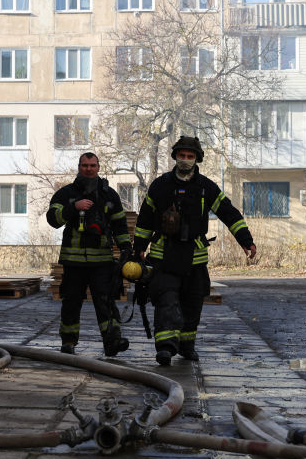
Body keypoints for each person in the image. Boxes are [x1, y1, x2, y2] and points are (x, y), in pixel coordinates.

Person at [132, 136, 257, 366]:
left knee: (193, 303)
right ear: (175, 157)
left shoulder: (205, 187)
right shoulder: (160, 186)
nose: (185, 160)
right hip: (164, 257)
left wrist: (246, 240)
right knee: (166, 300)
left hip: (194, 259)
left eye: (190, 157)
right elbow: (145, 220)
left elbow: (228, 213)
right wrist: (138, 248)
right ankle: (166, 349)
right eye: (182, 156)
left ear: (197, 159)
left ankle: (187, 346)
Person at [46, 152, 132, 356]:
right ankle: (68, 342)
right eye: (85, 165)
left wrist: (126, 249)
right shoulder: (65, 194)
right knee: (71, 301)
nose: (88, 169)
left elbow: (120, 225)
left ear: (99, 167)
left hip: (102, 261)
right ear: (79, 167)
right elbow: (53, 219)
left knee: (106, 301)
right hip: (74, 262)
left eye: (92, 165)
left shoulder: (109, 194)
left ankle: (112, 341)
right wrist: (73, 208)